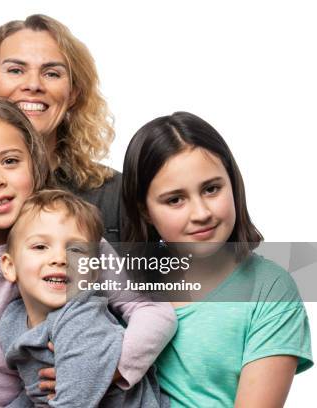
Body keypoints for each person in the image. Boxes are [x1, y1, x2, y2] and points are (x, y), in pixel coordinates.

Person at [0, 99, 176, 408]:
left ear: (35, 161)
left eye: (10, 161)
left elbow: (152, 312)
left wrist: (110, 370)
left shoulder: (71, 234)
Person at [121, 111, 313, 406]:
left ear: (232, 183)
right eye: (175, 200)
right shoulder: (124, 278)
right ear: (145, 210)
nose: (201, 213)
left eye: (211, 189)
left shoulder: (271, 290)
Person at [0, 189, 169, 407]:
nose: (60, 258)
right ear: (10, 267)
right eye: (40, 246)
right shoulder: (11, 320)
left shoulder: (82, 319)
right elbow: (35, 393)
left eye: (76, 250)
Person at [0, 14, 123, 243]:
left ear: (74, 93)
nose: (33, 85)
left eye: (51, 73)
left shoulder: (114, 195)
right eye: (16, 70)